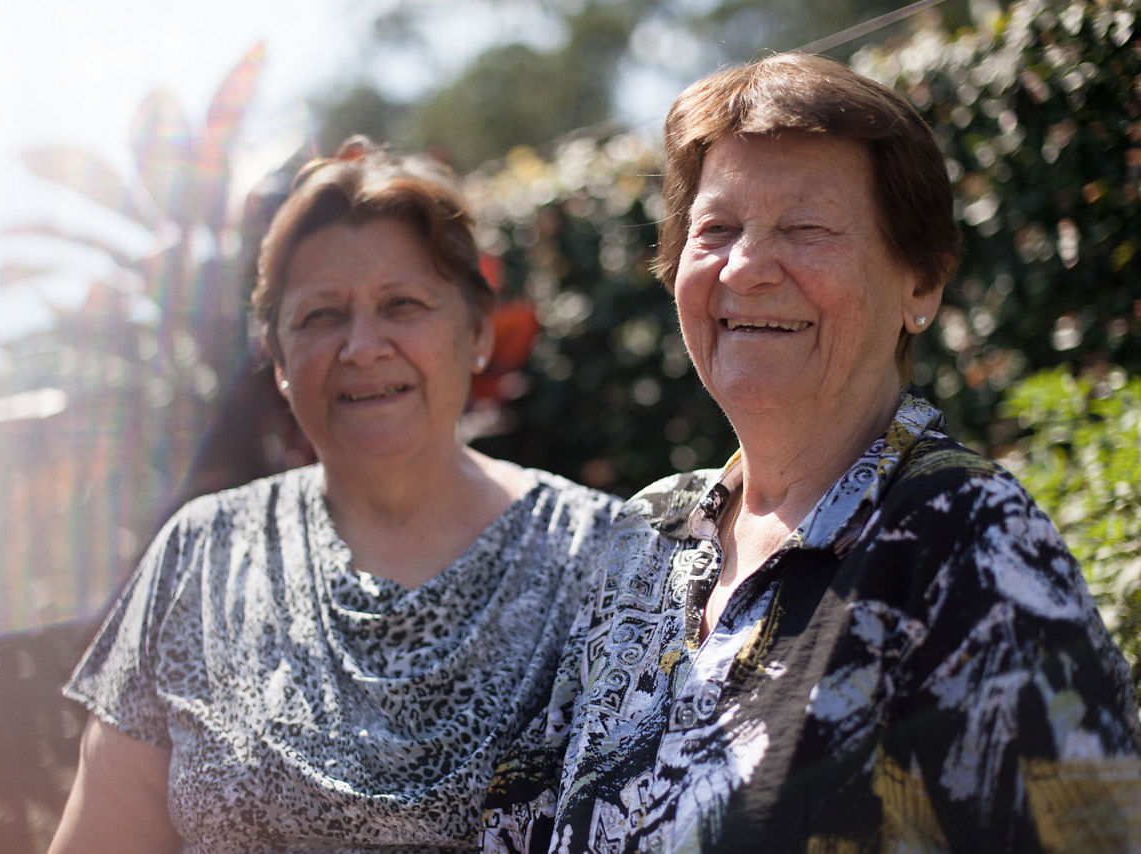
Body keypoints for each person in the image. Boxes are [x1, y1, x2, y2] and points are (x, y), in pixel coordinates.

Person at [480, 53, 1141, 852]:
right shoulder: (648, 532)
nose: (748, 267)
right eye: (716, 229)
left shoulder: (967, 543)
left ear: (920, 286)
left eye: (807, 229)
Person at [47, 137, 620, 853]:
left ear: (475, 331)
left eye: (402, 304)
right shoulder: (202, 556)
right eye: (321, 315)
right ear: (280, 361)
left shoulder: (603, 561)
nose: (362, 346)